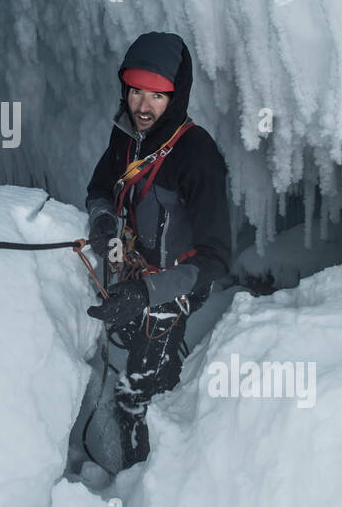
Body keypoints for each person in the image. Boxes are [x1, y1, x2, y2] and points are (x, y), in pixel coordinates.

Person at [81, 31, 232, 471]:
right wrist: (104, 220)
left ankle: (144, 482)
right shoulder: (126, 137)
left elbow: (215, 259)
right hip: (134, 271)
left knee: (138, 391)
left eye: (157, 96)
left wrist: (149, 295)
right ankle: (162, 363)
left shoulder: (197, 155)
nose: (143, 107)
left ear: (176, 95)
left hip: (176, 285)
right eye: (136, 92)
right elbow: (98, 188)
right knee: (129, 339)